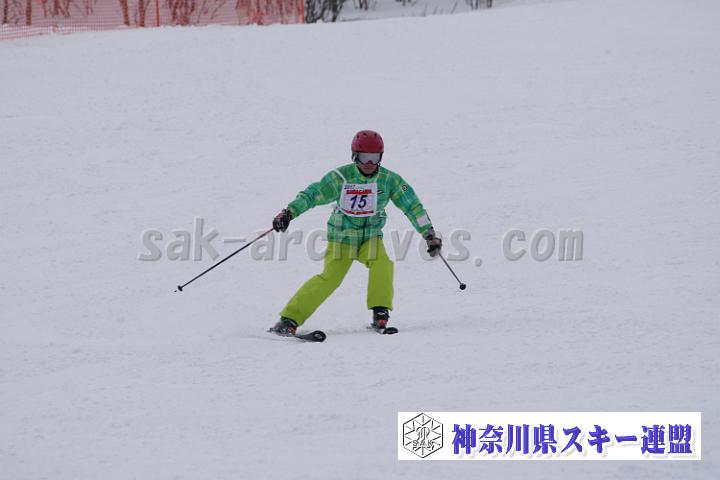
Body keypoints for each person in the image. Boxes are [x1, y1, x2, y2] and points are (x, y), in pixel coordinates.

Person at [269, 130, 442, 336]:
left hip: (370, 237)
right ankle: (289, 319)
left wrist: (428, 233)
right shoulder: (341, 177)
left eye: (374, 158)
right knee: (331, 278)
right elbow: (313, 194)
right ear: (354, 155)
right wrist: (289, 212)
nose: (369, 163)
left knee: (383, 263)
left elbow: (412, 206)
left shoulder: (389, 180)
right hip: (342, 238)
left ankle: (380, 312)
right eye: (364, 157)